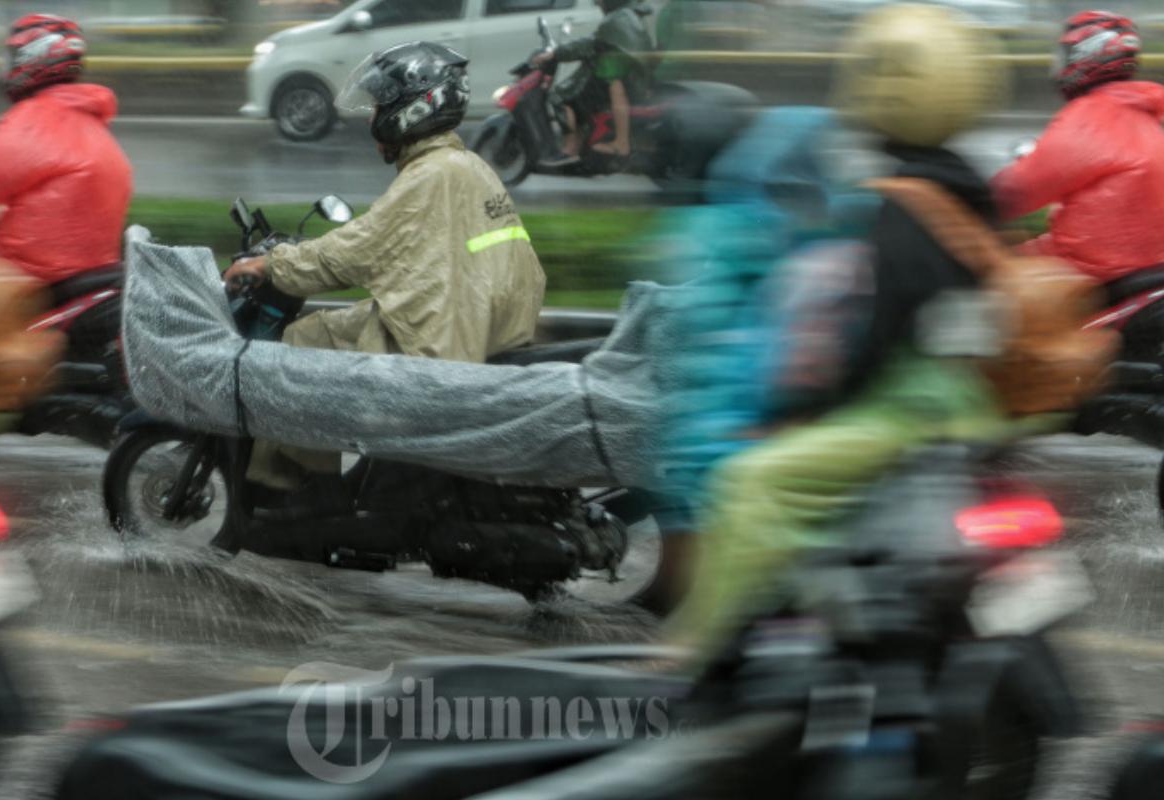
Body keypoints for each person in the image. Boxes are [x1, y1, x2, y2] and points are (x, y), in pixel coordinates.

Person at [666, 3, 1044, 659]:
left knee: (749, 484)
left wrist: (805, 412)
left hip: (904, 414)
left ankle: (696, 655)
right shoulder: (964, 187)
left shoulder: (895, 203)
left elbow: (867, 332)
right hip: (967, 406)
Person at [223, 42, 546, 498]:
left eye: (380, 105)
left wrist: (270, 264)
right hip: (482, 323)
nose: (373, 116)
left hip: (443, 337)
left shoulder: (430, 175)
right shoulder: (467, 166)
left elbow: (353, 253)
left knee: (299, 343)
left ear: (410, 110)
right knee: (354, 320)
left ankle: (296, 492)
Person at [991, 11, 1164, 282]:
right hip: (1148, 263)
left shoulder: (1088, 118)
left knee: (998, 275)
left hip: (1095, 267)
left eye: (1064, 54)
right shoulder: (1146, 111)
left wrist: (972, 204)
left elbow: (1014, 192)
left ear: (1085, 55)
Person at [0, 14, 132, 285]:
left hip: (34, 270)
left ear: (31, 57)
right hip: (85, 267)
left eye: (11, 56)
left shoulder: (35, 119)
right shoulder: (85, 119)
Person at [529, 0, 654, 165]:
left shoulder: (617, 19)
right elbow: (596, 41)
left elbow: (591, 44)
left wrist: (555, 54)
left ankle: (571, 148)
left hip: (624, 80)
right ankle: (586, 141)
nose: (598, 4)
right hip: (634, 78)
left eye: (600, 2)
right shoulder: (631, 14)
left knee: (559, 97)